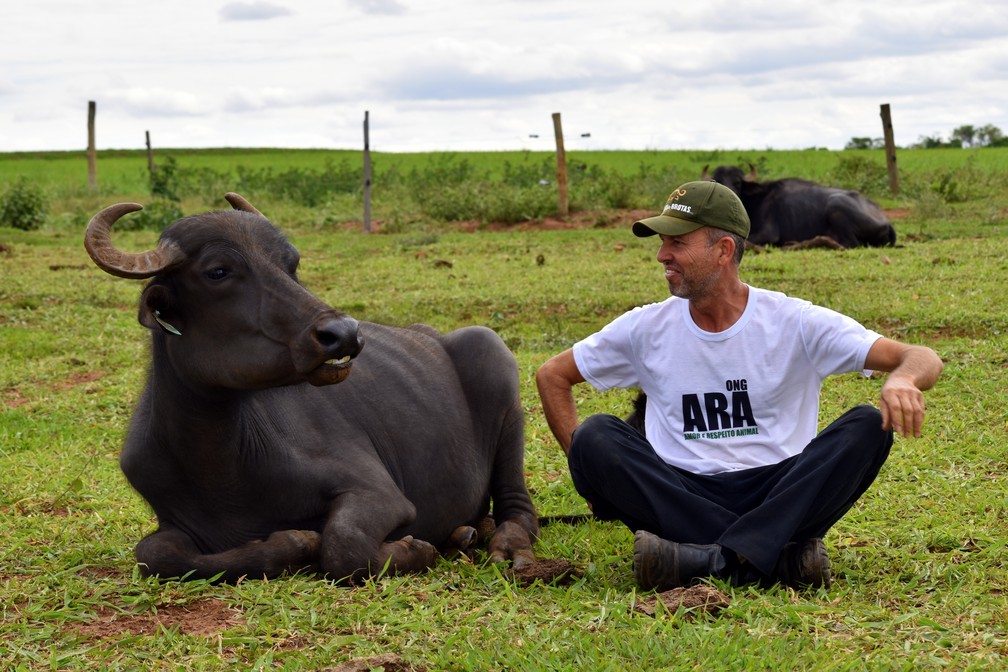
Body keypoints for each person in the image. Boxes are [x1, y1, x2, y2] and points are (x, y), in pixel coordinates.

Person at [535, 180, 943, 591]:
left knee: (868, 426)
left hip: (779, 490)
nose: (662, 256)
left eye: (676, 243)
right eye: (662, 243)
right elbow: (553, 375)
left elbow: (921, 356)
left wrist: (904, 378)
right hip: (680, 491)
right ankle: (770, 556)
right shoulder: (646, 327)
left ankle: (706, 560)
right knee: (595, 436)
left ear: (724, 251)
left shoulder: (793, 321)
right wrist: (585, 471)